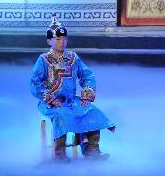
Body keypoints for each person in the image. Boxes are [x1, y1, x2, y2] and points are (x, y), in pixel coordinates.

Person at [30, 15, 115, 161]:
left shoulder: (73, 58)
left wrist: (86, 94)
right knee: (61, 115)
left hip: (71, 101)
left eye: (64, 39)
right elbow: (34, 83)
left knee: (92, 111)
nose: (62, 42)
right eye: (58, 39)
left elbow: (87, 76)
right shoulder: (43, 60)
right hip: (51, 103)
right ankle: (60, 155)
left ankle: (91, 150)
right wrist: (49, 98)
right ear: (49, 41)